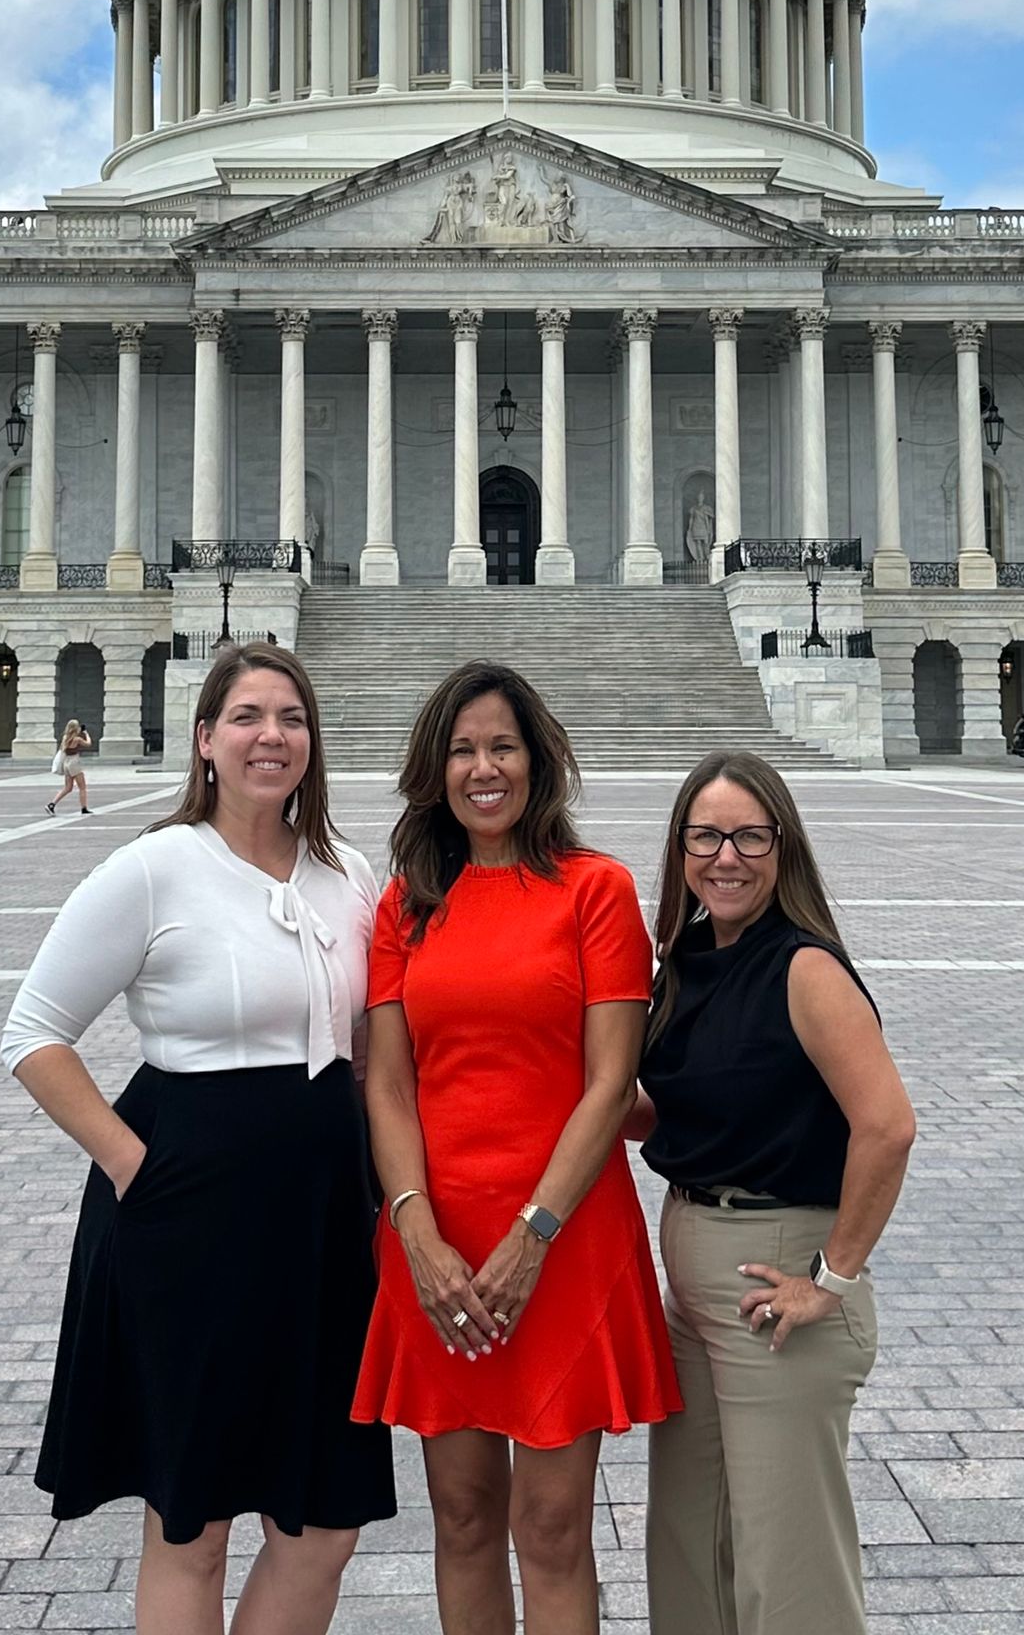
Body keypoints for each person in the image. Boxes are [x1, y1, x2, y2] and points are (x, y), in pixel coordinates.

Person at [2, 642, 394, 1631]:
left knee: (324, 1522)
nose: (273, 736)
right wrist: (133, 1162)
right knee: (195, 1521)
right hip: (186, 1213)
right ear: (206, 738)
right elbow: (33, 1032)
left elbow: (373, 1042)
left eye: (292, 718)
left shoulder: (348, 871)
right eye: (250, 716)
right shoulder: (153, 868)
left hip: (321, 1214)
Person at [354, 661, 677, 1635]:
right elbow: (389, 1082)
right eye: (462, 748)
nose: (482, 768)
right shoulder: (404, 903)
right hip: (436, 1239)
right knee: (459, 1519)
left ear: (538, 761)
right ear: (434, 769)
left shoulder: (596, 889)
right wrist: (416, 1232)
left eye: (502, 746)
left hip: (565, 1237)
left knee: (550, 1528)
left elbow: (610, 1082)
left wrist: (533, 1231)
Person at [634, 752, 917, 1635]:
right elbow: (679, 1112)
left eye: (750, 836)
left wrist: (829, 1280)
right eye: (707, 836)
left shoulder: (803, 969)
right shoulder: (687, 961)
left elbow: (888, 1126)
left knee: (787, 1565)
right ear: (680, 849)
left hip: (777, 1282)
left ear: (783, 847)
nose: (728, 856)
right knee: (690, 1539)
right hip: (695, 1289)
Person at [46, 717, 92, 817]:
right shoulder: (77, 739)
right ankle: (84, 808)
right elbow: (88, 744)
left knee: (68, 787)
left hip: (66, 763)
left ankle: (52, 804)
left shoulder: (65, 738)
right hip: (74, 763)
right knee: (82, 787)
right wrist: (86, 733)